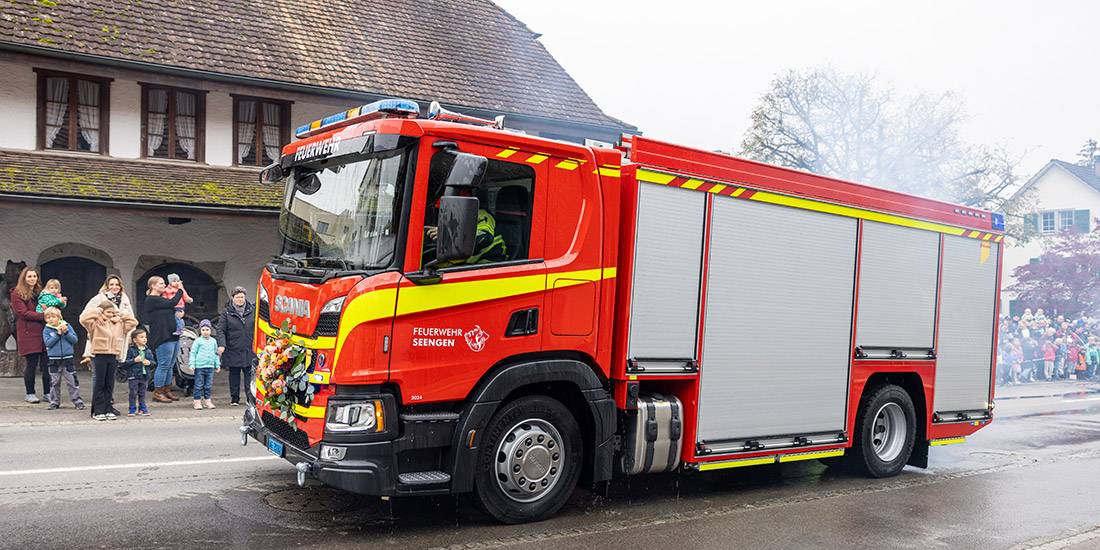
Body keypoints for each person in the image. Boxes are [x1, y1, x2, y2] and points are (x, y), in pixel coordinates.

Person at [80, 299, 137, 421]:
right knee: (100, 383)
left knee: (109, 383)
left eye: (112, 312)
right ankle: (98, 410)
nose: (110, 315)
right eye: (108, 312)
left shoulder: (119, 324)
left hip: (113, 355)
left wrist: (122, 315)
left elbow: (133, 322)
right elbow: (83, 319)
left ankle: (108, 408)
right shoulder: (95, 323)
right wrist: (97, 311)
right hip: (99, 355)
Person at [10, 266, 50, 403]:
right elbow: (23, 313)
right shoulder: (17, 293)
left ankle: (48, 393)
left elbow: (50, 306)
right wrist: (44, 315)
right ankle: (30, 393)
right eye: (29, 276)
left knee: (47, 364)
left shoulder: (41, 293)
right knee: (32, 364)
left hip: (44, 332)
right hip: (28, 333)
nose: (32, 279)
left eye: (34, 276)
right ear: (24, 278)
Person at [78, 275, 135, 368]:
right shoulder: (99, 298)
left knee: (112, 370)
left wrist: (121, 318)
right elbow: (85, 315)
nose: (114, 287)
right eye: (111, 284)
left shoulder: (124, 299)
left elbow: (130, 317)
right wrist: (97, 316)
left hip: (117, 337)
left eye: (117, 284)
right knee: (98, 371)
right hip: (101, 335)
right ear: (107, 286)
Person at [144, 276, 182, 403]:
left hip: (172, 335)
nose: (164, 285)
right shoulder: (151, 300)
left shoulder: (161, 298)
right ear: (153, 286)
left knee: (170, 365)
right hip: (162, 336)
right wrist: (180, 290)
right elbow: (172, 303)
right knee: (164, 365)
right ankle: (158, 392)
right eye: (161, 283)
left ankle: (167, 390)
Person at [216, 287, 255, 406]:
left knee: (250, 374)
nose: (240, 299)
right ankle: (234, 398)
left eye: (242, 297)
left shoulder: (253, 310)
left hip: (249, 347)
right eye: (237, 297)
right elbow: (220, 330)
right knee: (234, 374)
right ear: (232, 298)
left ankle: (249, 398)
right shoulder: (226, 312)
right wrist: (222, 344)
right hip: (233, 347)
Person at [41, 306, 83, 410]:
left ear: (59, 317)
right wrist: (57, 334)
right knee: (54, 382)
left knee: (72, 381)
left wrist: (66, 333)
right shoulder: (46, 330)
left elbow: (74, 340)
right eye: (48, 317)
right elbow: (48, 343)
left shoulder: (67, 326)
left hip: (67, 358)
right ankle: (54, 402)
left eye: (53, 317)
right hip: (54, 359)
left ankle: (77, 401)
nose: (51, 319)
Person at [121, 327, 155, 417]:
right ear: (135, 340)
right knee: (133, 392)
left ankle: (142, 408)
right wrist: (134, 360)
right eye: (141, 337)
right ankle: (132, 408)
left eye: (145, 337)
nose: (144, 339)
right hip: (133, 375)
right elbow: (124, 364)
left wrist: (149, 363)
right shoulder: (131, 350)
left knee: (142, 393)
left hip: (144, 375)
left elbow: (154, 363)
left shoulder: (148, 351)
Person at [189, 319, 220, 410]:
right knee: (198, 385)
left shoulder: (213, 341)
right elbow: (193, 353)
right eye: (203, 330)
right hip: (200, 366)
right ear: (200, 331)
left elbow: (215, 354)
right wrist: (192, 364)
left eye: (207, 330)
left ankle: (207, 401)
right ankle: (197, 401)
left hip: (210, 367)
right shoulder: (198, 341)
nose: (205, 332)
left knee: (208, 385)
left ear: (210, 330)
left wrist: (217, 365)